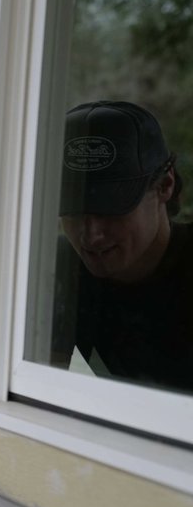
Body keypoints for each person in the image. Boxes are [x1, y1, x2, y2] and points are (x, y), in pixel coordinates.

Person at [51, 100, 193, 391]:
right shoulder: (62, 273)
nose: (91, 235)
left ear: (165, 185)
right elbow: (39, 389)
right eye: (73, 211)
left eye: (111, 208)